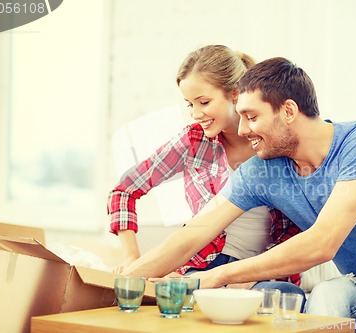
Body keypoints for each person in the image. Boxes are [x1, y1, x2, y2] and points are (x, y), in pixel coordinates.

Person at [123, 56, 356, 332]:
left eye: (251, 116)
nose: (242, 129)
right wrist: (124, 281)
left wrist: (218, 276)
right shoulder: (263, 169)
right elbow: (197, 232)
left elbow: (321, 243)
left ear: (288, 110)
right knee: (326, 294)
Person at [107, 45, 304, 296]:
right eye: (190, 104)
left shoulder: (277, 143)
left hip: (262, 274)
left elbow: (296, 228)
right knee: (166, 299)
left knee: (286, 296)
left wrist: (250, 276)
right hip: (202, 268)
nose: (196, 113)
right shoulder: (193, 142)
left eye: (204, 102)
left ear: (235, 94)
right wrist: (132, 256)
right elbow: (124, 191)